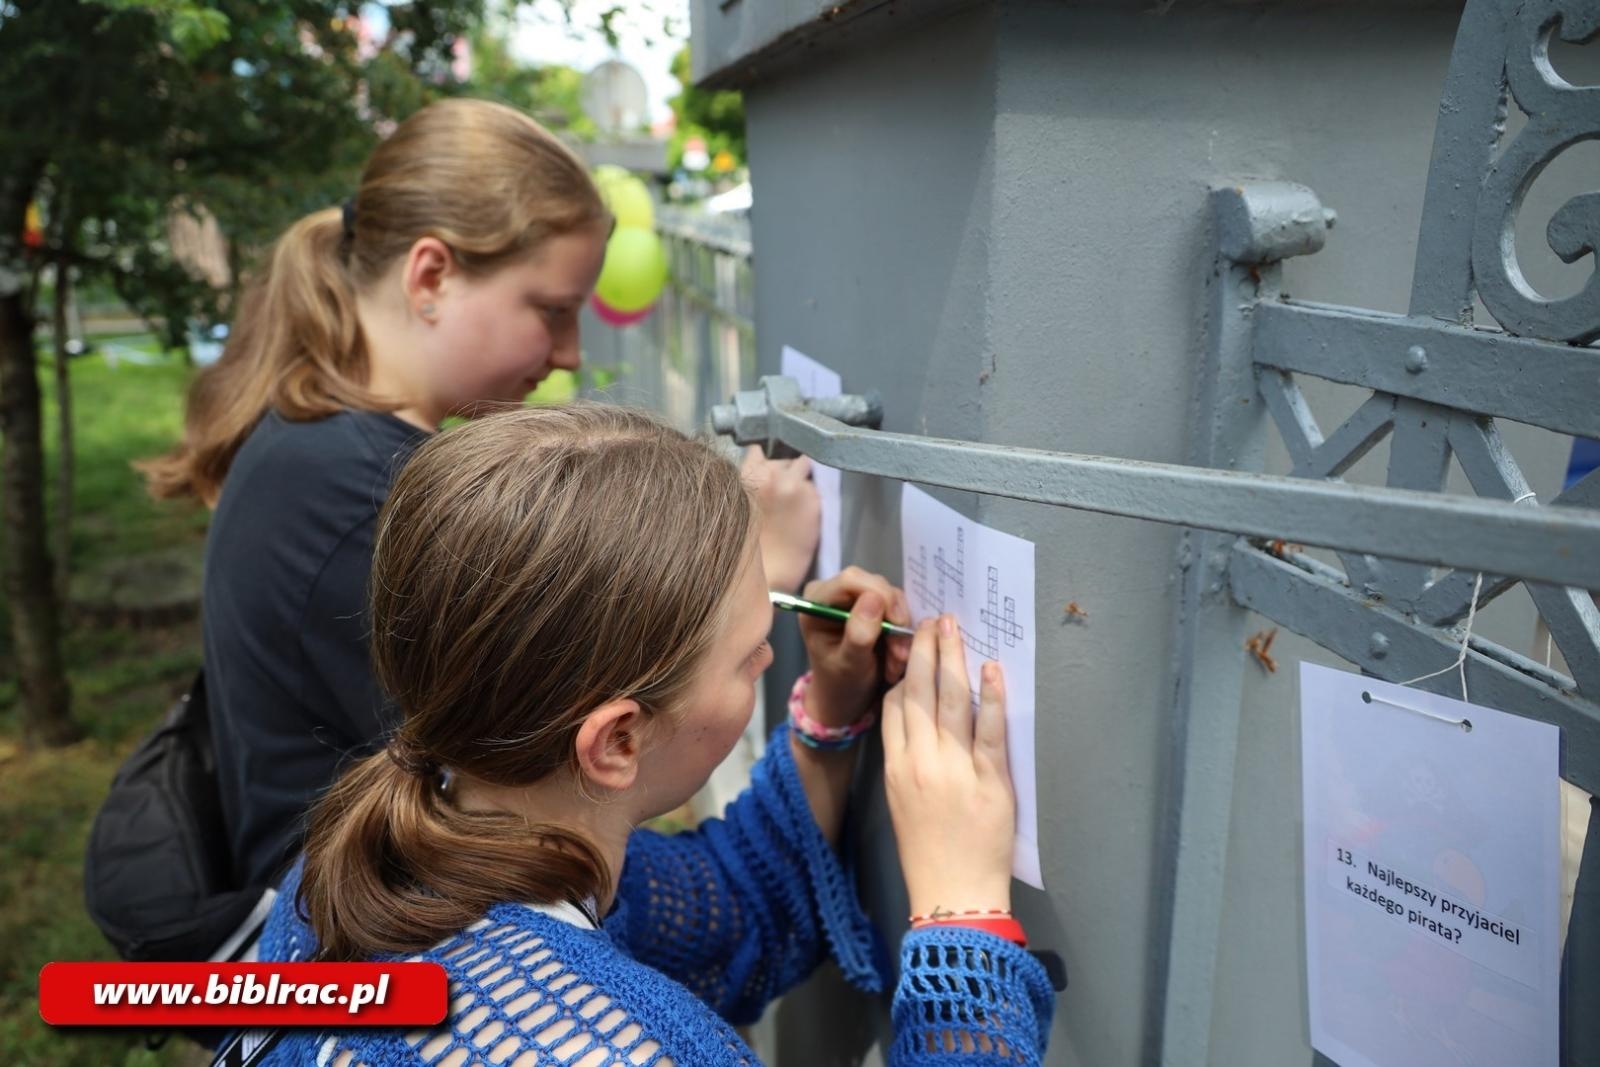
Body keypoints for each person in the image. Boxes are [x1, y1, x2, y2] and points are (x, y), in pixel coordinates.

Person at [140, 98, 820, 890]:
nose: (570, 352)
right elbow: (538, 760)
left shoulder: (324, 448)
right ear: (431, 275)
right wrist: (746, 580)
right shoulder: (359, 495)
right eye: (552, 311)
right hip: (372, 924)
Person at [250, 405, 1054, 1065]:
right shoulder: (604, 1049)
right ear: (616, 743)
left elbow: (727, 909)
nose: (771, 656)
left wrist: (827, 716)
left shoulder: (377, 864)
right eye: (749, 654)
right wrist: (962, 920)